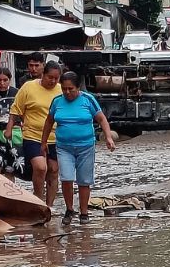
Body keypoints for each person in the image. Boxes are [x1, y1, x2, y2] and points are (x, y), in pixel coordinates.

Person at [40, 72, 117, 225]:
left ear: (78, 88)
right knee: (67, 178)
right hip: (63, 147)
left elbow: (101, 118)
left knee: (84, 180)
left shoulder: (88, 99)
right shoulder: (57, 101)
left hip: (86, 147)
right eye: (64, 89)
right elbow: (48, 122)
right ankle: (69, 209)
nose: (67, 92)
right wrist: (43, 143)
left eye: (71, 89)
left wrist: (108, 137)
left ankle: (84, 212)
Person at [6, 61, 63, 206]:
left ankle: (49, 206)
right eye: (50, 77)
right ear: (43, 74)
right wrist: (9, 128)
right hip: (33, 135)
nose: (53, 81)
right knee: (40, 167)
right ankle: (38, 201)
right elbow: (15, 109)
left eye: (56, 78)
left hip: (55, 137)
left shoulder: (61, 90)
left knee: (53, 170)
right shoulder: (29, 87)